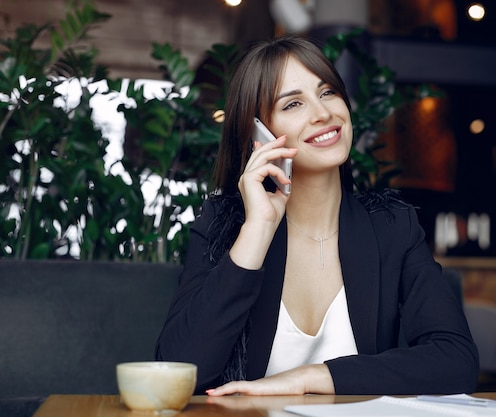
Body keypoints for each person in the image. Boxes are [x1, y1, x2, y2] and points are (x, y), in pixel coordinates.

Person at [155, 35, 479, 396]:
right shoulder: (223, 225)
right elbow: (180, 370)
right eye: (293, 103)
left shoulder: (392, 227)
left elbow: (456, 360)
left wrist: (311, 378)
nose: (323, 113)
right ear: (258, 135)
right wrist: (258, 229)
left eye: (327, 92)